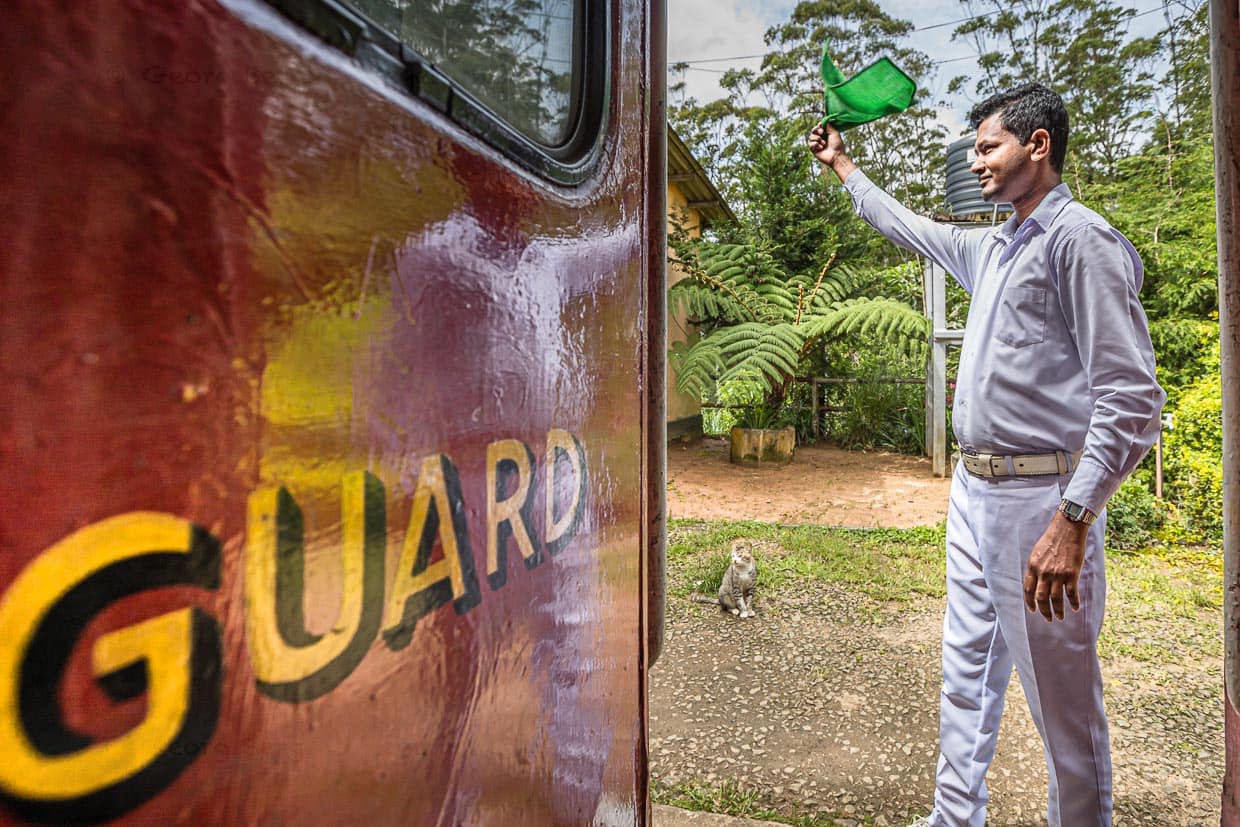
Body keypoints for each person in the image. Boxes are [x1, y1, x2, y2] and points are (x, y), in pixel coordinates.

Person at [808, 83, 1164, 827]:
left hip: (1044, 503)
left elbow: (1132, 399)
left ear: (1039, 146)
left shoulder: (1080, 241)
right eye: (973, 149)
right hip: (973, 495)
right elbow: (906, 226)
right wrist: (844, 167)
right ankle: (953, 817)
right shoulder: (994, 245)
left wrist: (1073, 518)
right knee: (965, 674)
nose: (975, 162)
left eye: (987, 146)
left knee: (1062, 704)